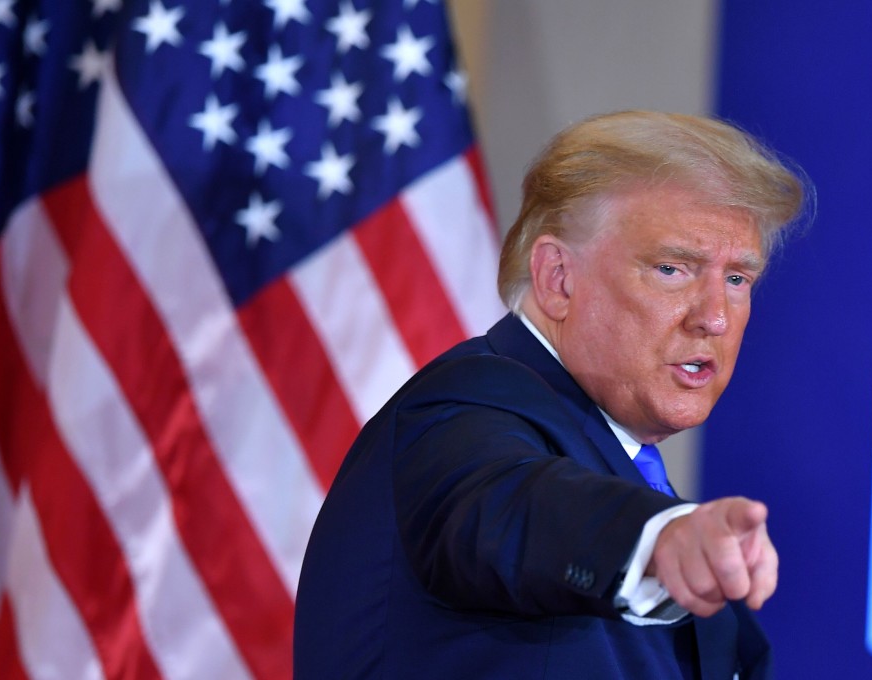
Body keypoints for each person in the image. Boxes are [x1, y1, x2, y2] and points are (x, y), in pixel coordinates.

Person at [294, 110, 808, 679]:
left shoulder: (627, 473)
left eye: (737, 279)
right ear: (558, 278)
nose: (714, 317)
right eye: (672, 268)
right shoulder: (462, 406)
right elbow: (510, 504)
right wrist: (656, 538)